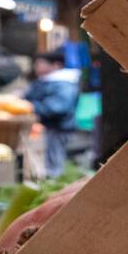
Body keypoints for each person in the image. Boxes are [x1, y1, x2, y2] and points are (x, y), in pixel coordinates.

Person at [25, 49, 80, 177]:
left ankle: (56, 187)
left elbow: (58, 107)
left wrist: (30, 107)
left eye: (40, 63)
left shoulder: (63, 84)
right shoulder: (45, 81)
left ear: (56, 65)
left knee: (54, 163)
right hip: (48, 127)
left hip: (57, 128)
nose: (36, 67)